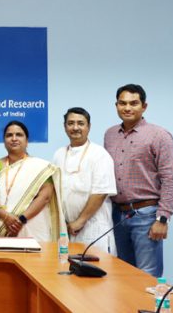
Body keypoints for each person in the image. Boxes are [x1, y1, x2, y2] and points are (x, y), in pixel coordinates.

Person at [104, 84, 173, 277]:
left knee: (147, 275)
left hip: (146, 214)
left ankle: (148, 308)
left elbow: (170, 178)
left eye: (133, 103)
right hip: (117, 215)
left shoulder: (159, 135)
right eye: (122, 103)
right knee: (122, 274)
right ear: (116, 105)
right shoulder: (110, 135)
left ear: (144, 106)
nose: (127, 108)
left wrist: (163, 218)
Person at [0, 121, 65, 242]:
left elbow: (45, 196)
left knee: (33, 260)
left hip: (31, 224)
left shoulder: (41, 167)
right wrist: (5, 216)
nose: (14, 138)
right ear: (4, 141)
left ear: (27, 141)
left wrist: (21, 220)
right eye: (9, 135)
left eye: (19, 135)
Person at [52, 107, 117, 254]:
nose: (75, 128)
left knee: (98, 272)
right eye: (70, 123)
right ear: (64, 126)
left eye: (80, 123)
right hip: (67, 229)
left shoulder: (100, 154)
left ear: (89, 127)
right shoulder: (59, 154)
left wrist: (80, 221)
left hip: (93, 228)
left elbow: (100, 192)